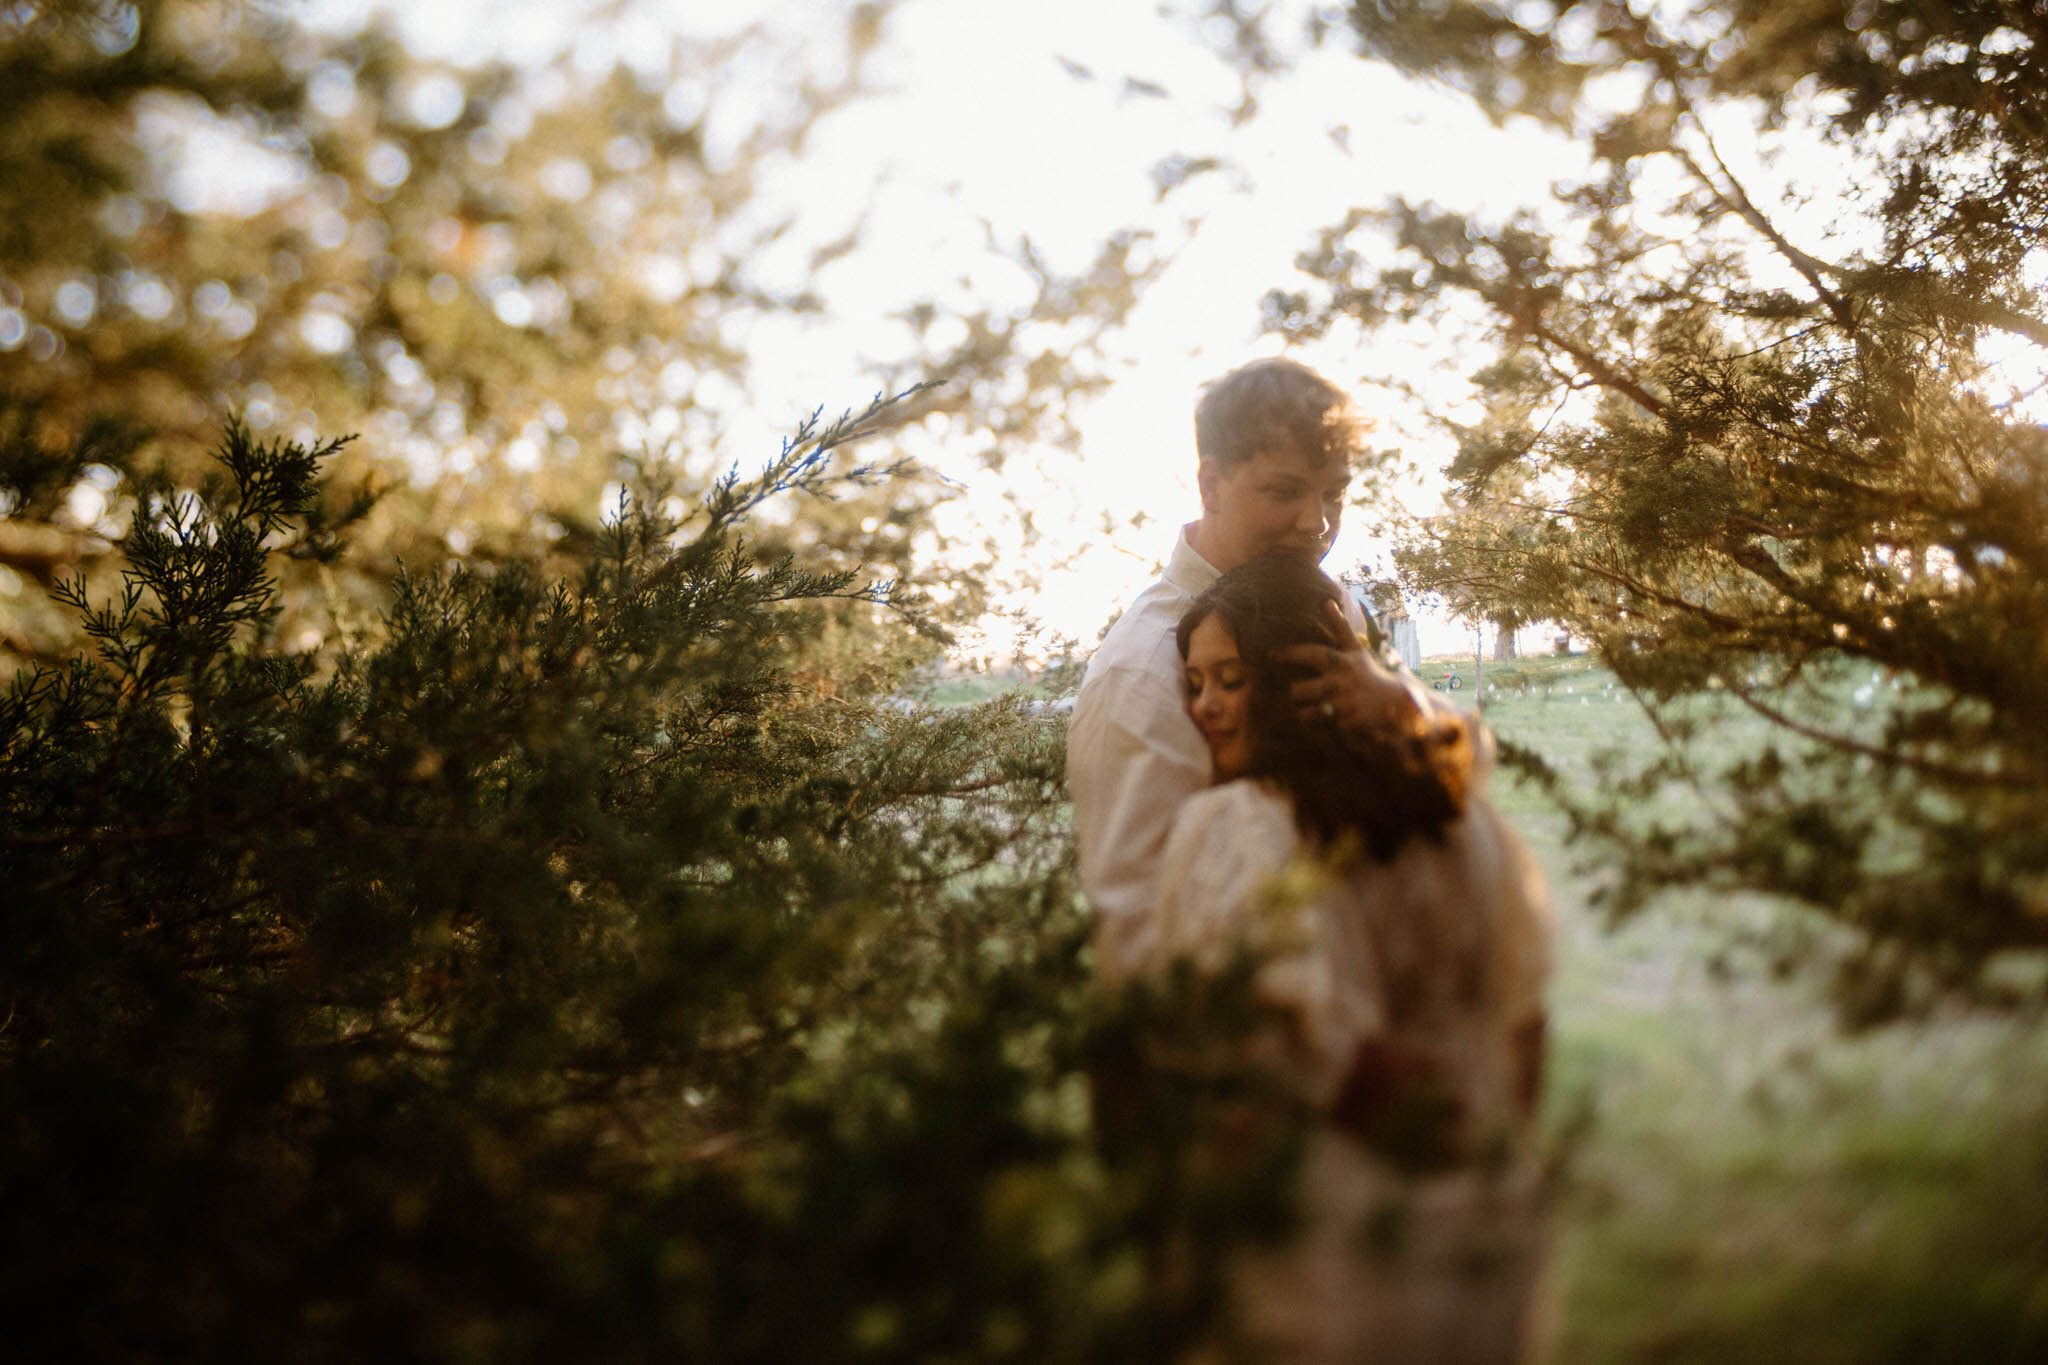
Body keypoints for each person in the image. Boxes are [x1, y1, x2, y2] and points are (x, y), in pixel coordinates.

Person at [1138, 555, 1553, 1365]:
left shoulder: (1232, 830)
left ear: (1302, 678)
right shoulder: (1459, 816)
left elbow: (1244, 1054)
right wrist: (1492, 1149)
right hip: (1487, 1221)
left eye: (1232, 677)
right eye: (1194, 682)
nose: (1206, 706)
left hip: (1327, 1245)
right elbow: (1529, 1023)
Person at [1067, 357, 1482, 978]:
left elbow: (1456, 777)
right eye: (1285, 491)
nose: (1317, 525)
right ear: (1210, 485)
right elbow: (1135, 937)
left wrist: (1402, 706)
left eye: (1333, 494)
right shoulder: (1142, 672)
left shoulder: (1333, 607)